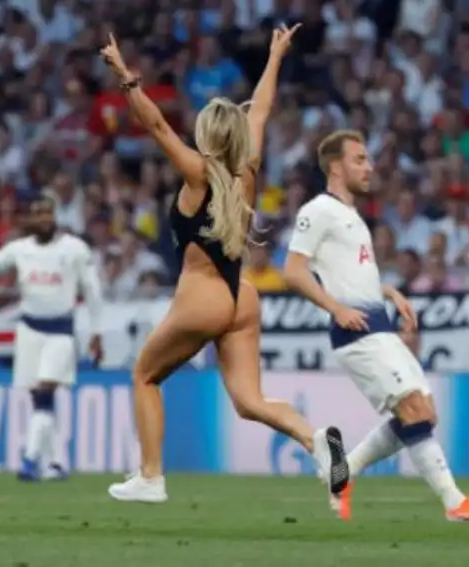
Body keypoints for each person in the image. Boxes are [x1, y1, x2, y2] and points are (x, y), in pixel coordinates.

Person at [100, 26, 350, 506]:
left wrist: (126, 78)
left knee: (144, 376)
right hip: (243, 296)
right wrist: (276, 55)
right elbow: (262, 108)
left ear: (206, 135)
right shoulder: (249, 170)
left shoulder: (199, 174)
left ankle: (151, 477)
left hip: (202, 297)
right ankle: (318, 442)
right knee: (248, 401)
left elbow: (155, 126)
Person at [282, 130, 469, 522]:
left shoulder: (351, 215)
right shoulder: (317, 210)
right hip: (357, 333)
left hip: (379, 325)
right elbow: (294, 272)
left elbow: (348, 272)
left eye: (368, 160)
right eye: (359, 160)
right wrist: (335, 309)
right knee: (414, 409)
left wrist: (387, 291)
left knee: (423, 414)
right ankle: (454, 503)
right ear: (336, 166)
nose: (369, 168)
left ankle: (344, 471)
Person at [0, 196, 104, 482]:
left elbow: (92, 289)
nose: (43, 220)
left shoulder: (74, 249)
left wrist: (96, 331)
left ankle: (29, 460)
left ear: (55, 217)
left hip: (60, 331)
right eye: (38, 214)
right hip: (29, 331)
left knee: (45, 391)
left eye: (47, 214)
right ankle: (55, 464)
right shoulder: (20, 250)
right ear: (30, 219)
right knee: (39, 399)